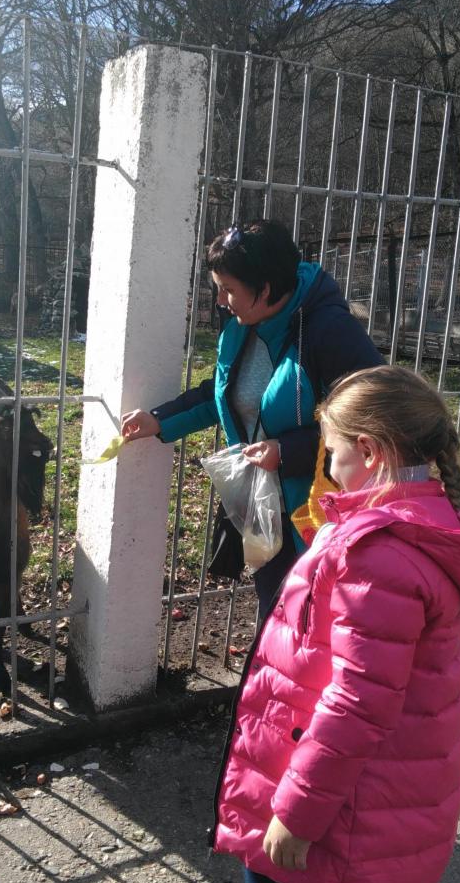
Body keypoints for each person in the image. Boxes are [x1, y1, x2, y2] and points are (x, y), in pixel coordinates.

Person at [210, 364, 460, 883]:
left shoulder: (382, 556)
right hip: (309, 762)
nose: (326, 467)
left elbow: (359, 702)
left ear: (371, 452)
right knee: (272, 873)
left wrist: (299, 813)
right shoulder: (412, 524)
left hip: (336, 794)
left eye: (331, 452)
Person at [121, 219, 382, 616]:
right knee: (275, 614)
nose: (221, 301)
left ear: (265, 289)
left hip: (318, 514)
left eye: (228, 290)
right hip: (264, 508)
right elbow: (224, 394)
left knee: (312, 621)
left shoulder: (330, 332)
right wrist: (161, 421)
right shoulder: (239, 329)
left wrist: (290, 451)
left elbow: (375, 421)